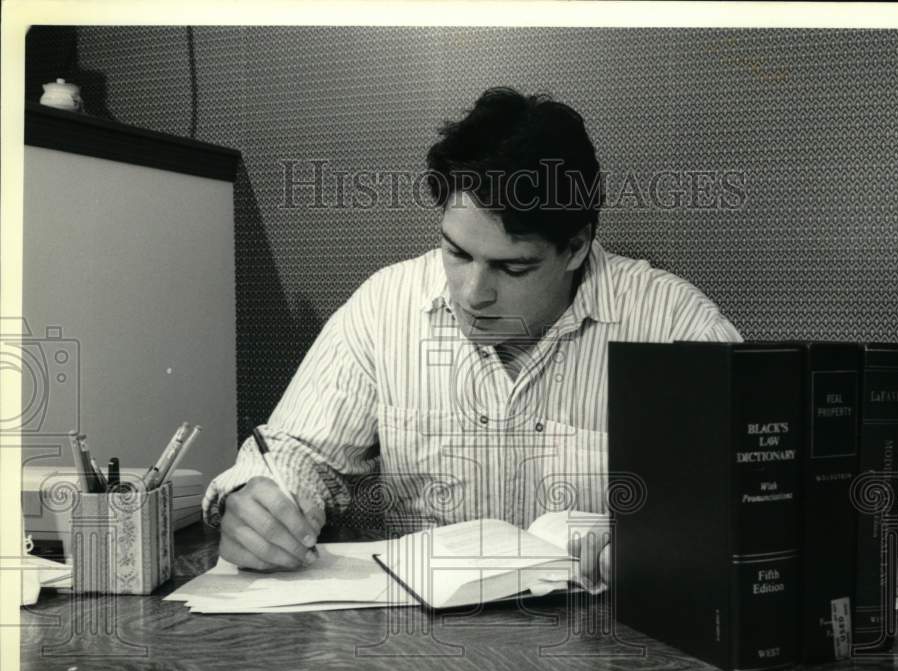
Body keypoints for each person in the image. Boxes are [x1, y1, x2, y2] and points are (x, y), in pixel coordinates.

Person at [203, 87, 741, 583]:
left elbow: (752, 496)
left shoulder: (673, 325)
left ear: (575, 247)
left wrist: (656, 538)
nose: (471, 293)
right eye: (457, 252)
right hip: (424, 654)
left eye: (512, 269)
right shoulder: (384, 307)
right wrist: (259, 501)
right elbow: (299, 454)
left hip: (602, 649)